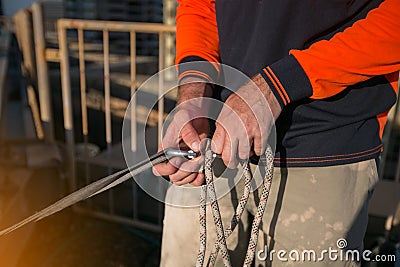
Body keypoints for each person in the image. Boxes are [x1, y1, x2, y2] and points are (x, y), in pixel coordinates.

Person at [153, 0, 400, 266]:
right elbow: (199, 6)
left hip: (325, 152)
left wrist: (279, 84)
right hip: (213, 145)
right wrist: (195, 94)